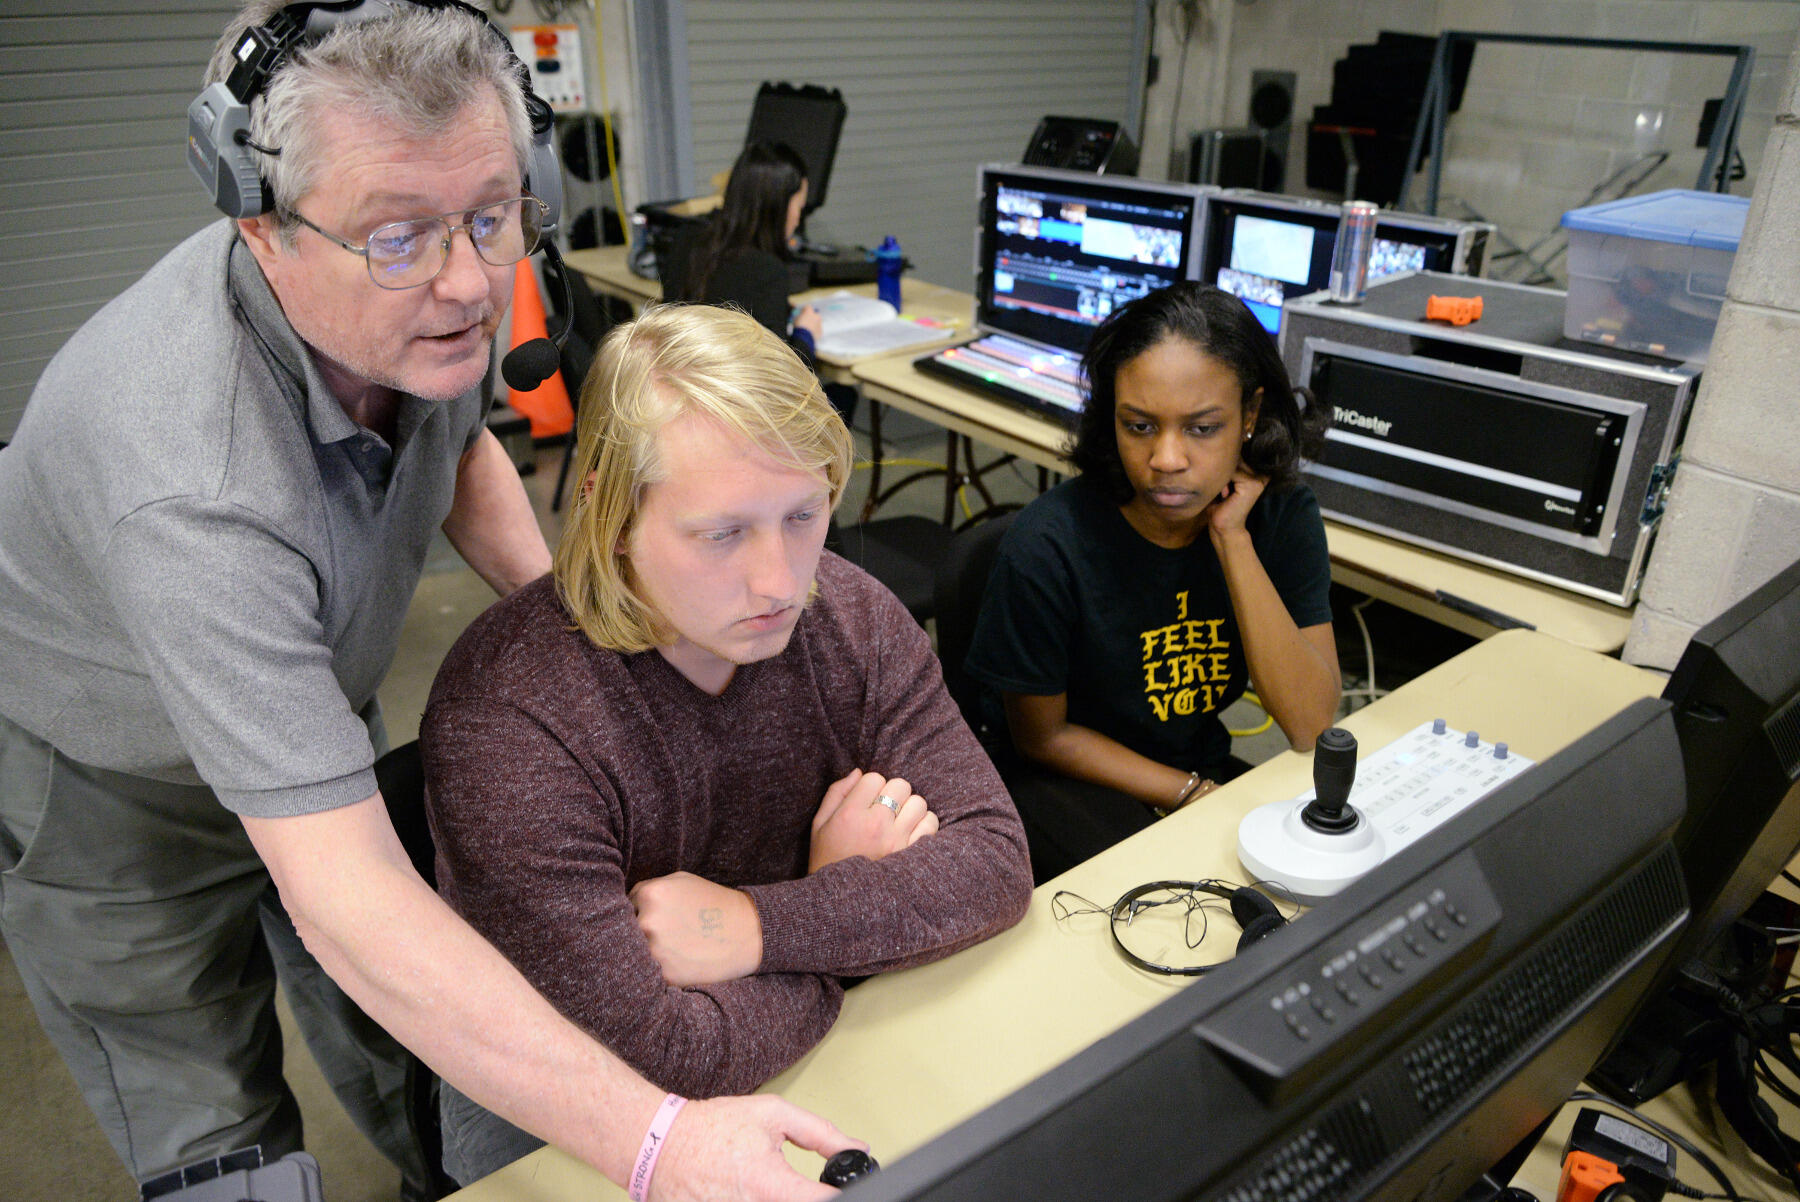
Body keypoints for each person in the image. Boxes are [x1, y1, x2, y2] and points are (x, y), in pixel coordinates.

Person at [0, 4, 866, 1200]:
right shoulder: (189, 482)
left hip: (313, 688)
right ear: (260, 225)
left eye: (493, 213)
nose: (469, 282)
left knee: (403, 1027)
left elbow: (458, 452)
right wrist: (658, 1141)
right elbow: (350, 899)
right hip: (121, 785)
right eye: (399, 235)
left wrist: (593, 632)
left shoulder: (409, 321)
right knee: (212, 1115)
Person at [418, 303, 1034, 1186]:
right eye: (720, 534)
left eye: (803, 514)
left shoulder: (848, 615)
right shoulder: (510, 718)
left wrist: (759, 926)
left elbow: (995, 864)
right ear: (611, 513)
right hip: (563, 1140)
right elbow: (663, 1062)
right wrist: (844, 910)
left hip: (807, 1064)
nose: (781, 581)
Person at [964, 283, 1341, 883]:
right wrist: (1187, 792)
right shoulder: (1048, 544)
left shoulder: (1280, 517)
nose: (1166, 458)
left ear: (1249, 416)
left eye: (1201, 428)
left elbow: (1311, 723)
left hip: (1197, 765)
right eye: (1139, 426)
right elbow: (1042, 738)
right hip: (1062, 780)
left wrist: (1231, 539)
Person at [674, 141, 856, 422]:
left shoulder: (686, 243)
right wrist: (805, 334)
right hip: (742, 420)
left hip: (685, 405)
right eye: (799, 207)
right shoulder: (766, 272)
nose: (798, 220)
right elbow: (783, 387)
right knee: (844, 396)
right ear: (778, 208)